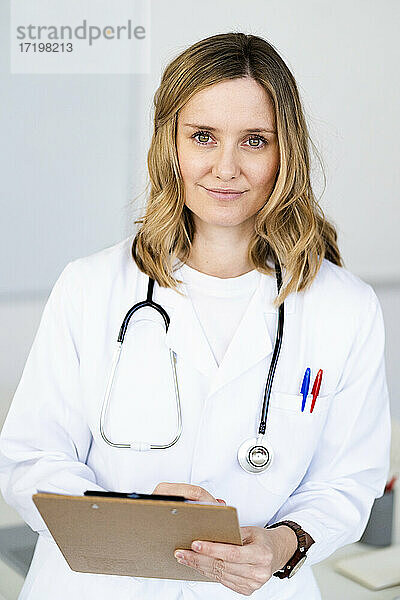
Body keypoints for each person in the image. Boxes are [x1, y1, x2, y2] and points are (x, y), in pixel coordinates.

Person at [0, 32, 391, 600]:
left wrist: (280, 545)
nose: (225, 168)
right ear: (170, 145)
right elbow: (31, 460)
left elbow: (348, 484)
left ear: (287, 152)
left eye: (255, 141)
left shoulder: (342, 307)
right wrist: (137, 522)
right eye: (203, 137)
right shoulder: (90, 287)